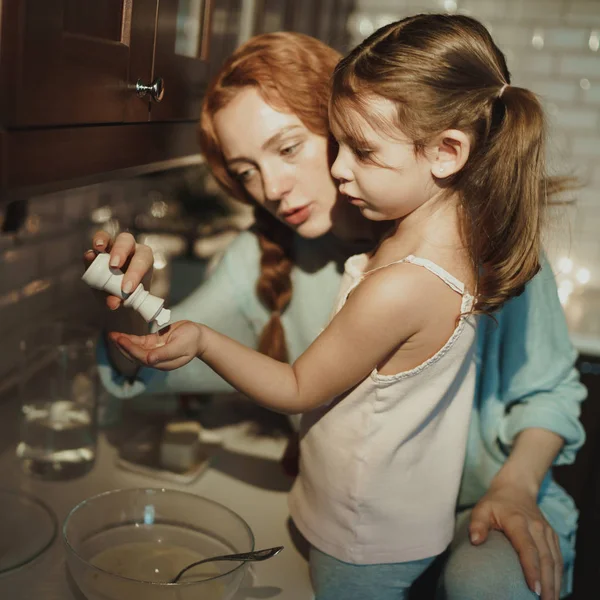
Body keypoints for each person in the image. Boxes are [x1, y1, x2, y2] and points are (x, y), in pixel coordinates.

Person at [89, 26, 586, 600]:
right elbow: (148, 359)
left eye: (289, 147)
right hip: (362, 528)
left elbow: (550, 391)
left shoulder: (494, 241)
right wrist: (127, 292)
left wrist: (517, 487)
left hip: (494, 497)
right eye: (245, 171)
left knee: (483, 584)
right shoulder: (261, 262)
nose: (271, 188)